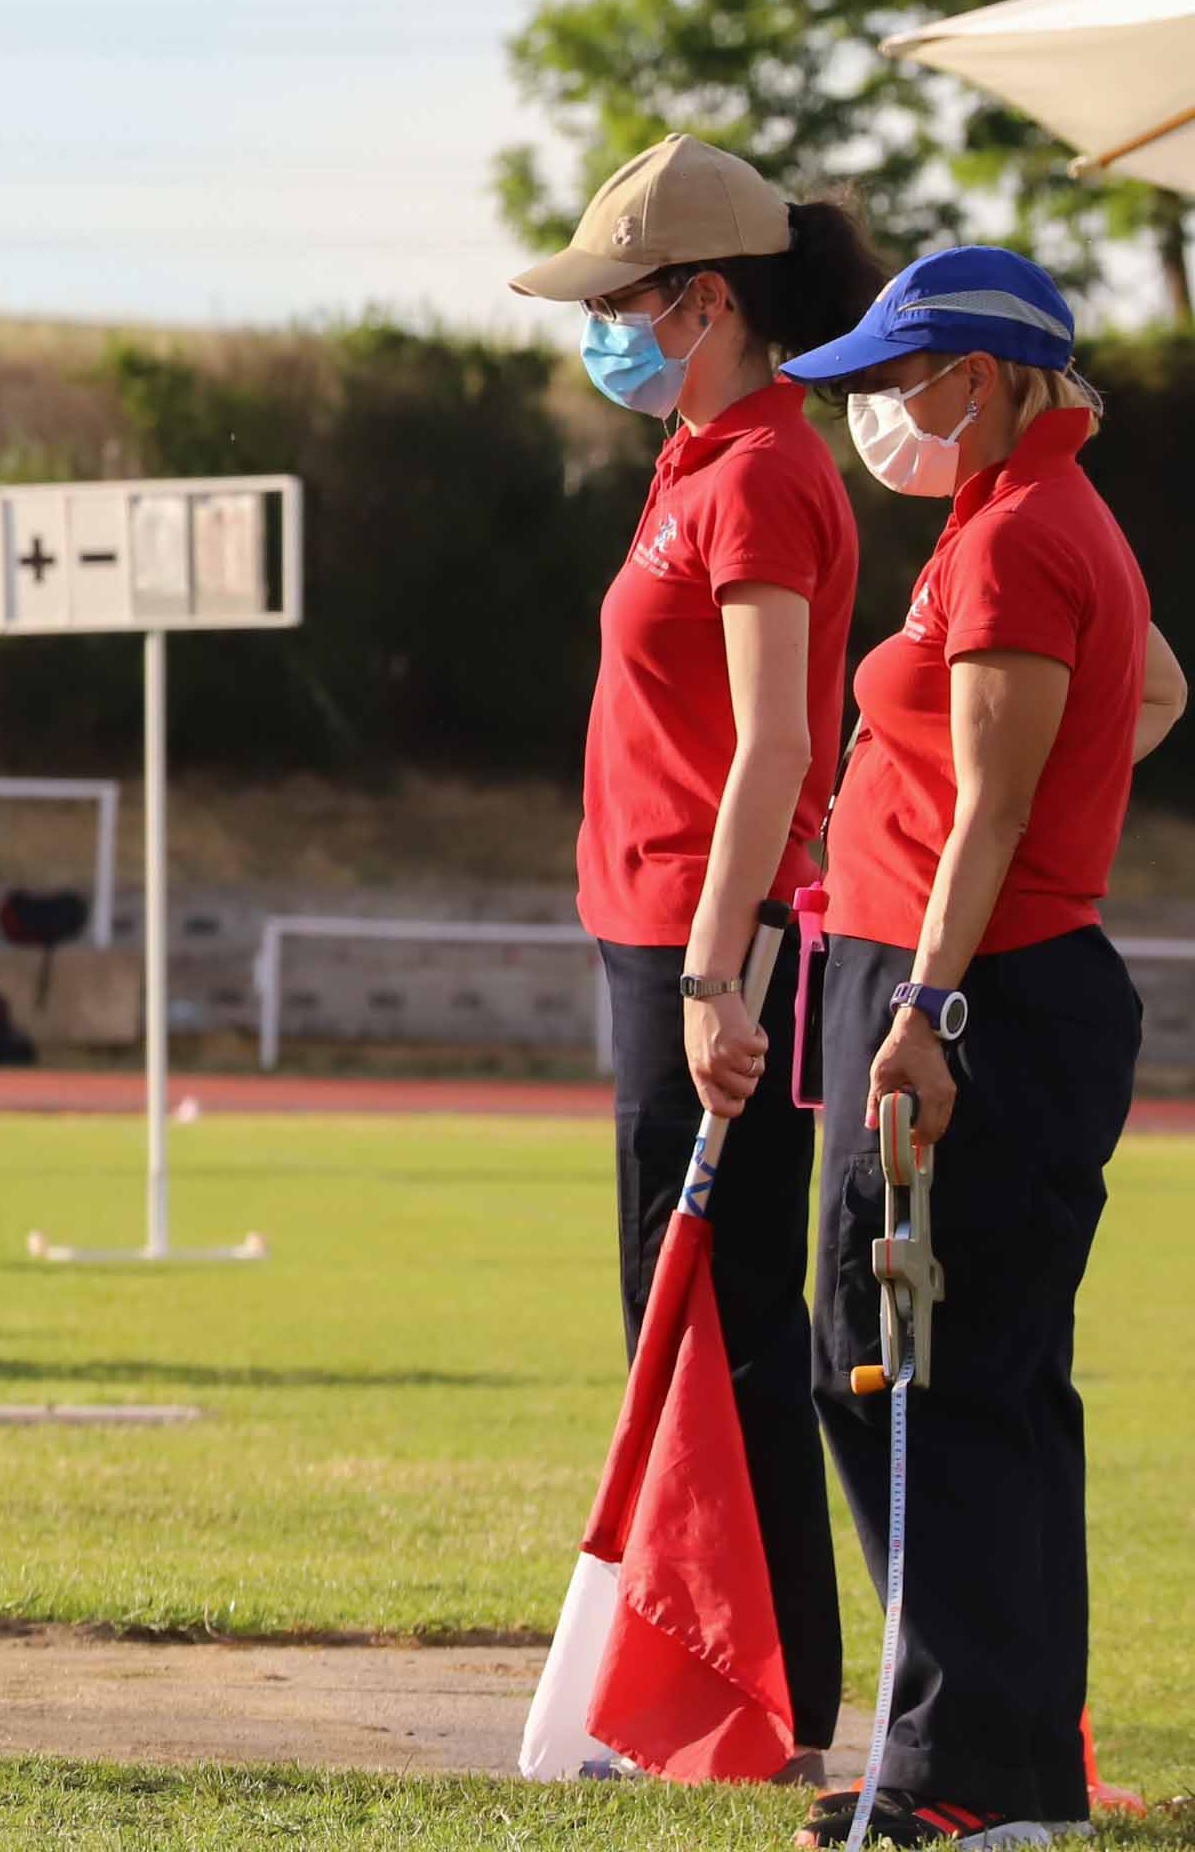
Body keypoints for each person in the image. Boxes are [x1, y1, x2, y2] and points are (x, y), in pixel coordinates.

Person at [776, 246, 1181, 1848]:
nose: (878, 408)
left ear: (988, 374)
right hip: (990, 973)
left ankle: (954, 1773)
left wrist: (927, 1005)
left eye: (898, 376)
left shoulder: (1016, 539)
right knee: (987, 1385)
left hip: (977, 992)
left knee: (903, 1372)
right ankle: (1009, 1772)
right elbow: (1147, 691)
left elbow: (999, 806)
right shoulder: (1027, 520)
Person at [507, 130, 880, 1781]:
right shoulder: (697, 461)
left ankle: (761, 1704)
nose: (602, 329)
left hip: (703, 949)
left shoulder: (766, 476)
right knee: (686, 1326)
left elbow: (777, 743)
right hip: (654, 935)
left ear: (706, 301)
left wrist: (716, 970)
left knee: (713, 1329)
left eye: (623, 300)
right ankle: (722, 1695)